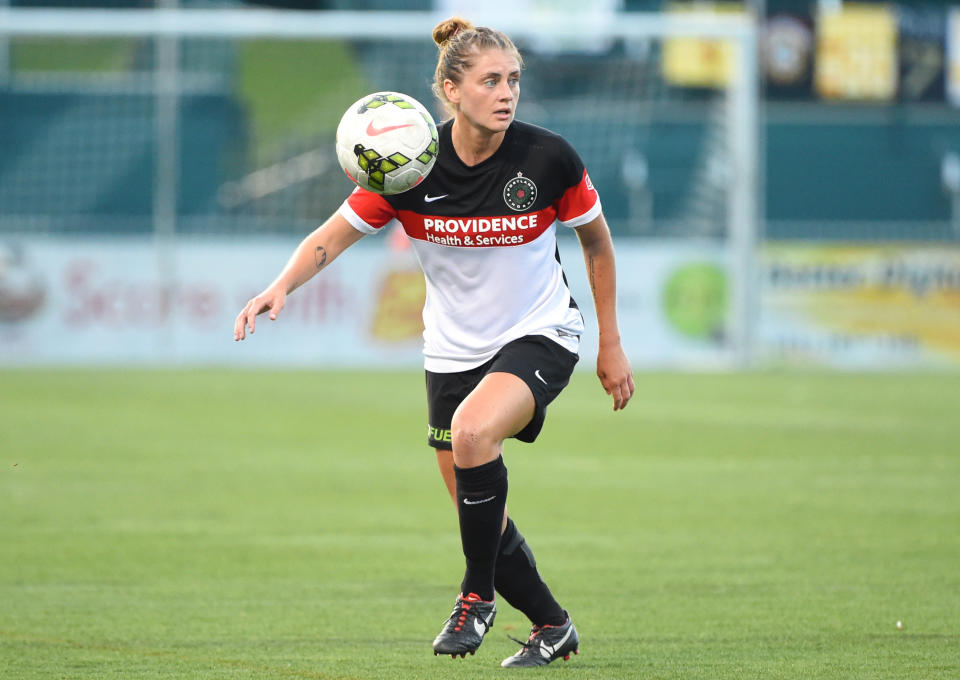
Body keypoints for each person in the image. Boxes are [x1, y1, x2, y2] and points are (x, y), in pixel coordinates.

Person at [234, 16, 635, 669]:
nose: (506, 93)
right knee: (481, 514)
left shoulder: (547, 157)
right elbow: (331, 237)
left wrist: (610, 342)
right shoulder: (409, 164)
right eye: (490, 81)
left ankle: (475, 598)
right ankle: (554, 626)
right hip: (451, 351)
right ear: (451, 89)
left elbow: (596, 241)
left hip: (540, 332)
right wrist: (281, 286)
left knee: (476, 436)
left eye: (513, 80)